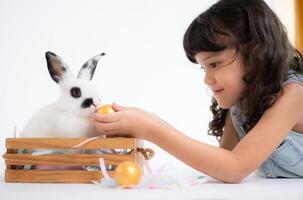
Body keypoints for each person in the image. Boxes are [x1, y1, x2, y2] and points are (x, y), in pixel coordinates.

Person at [91, 0, 303, 183]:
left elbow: (235, 168)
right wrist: (141, 123)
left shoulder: (292, 94)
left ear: (255, 54)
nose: (207, 79)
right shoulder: (242, 102)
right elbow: (223, 161)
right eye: (203, 67)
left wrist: (150, 128)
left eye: (214, 64)